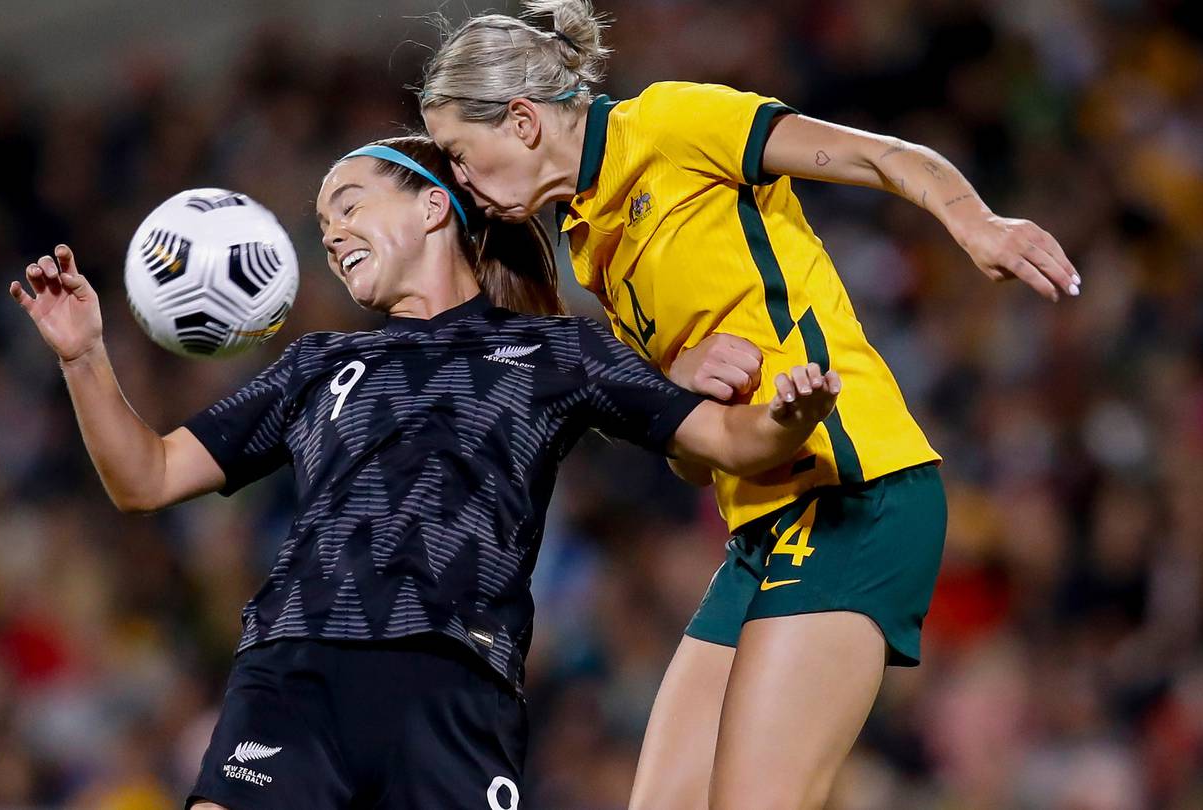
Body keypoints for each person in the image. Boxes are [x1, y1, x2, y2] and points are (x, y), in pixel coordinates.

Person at [8, 135, 843, 810]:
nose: (329, 233)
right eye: (323, 222)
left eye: (348, 202)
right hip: (296, 671)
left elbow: (732, 442)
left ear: (434, 205)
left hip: (451, 691)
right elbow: (145, 478)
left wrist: (789, 415)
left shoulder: (556, 351)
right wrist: (83, 357)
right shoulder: (316, 364)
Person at [417, 3, 1080, 808]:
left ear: (521, 121)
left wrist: (977, 224)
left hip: (854, 493)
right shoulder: (590, 243)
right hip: (761, 529)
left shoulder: (669, 121)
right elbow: (694, 457)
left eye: (459, 153)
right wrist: (677, 389)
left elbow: (878, 157)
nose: (460, 181)